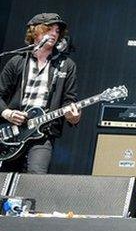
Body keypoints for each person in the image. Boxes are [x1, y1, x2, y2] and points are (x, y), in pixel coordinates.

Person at [0, 13, 81, 174]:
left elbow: (69, 101)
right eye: (48, 29)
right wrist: (7, 113)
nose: (54, 34)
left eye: (57, 31)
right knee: (4, 179)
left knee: (36, 177)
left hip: (43, 134)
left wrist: (74, 117)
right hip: (11, 131)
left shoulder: (66, 65)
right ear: (35, 31)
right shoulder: (17, 61)